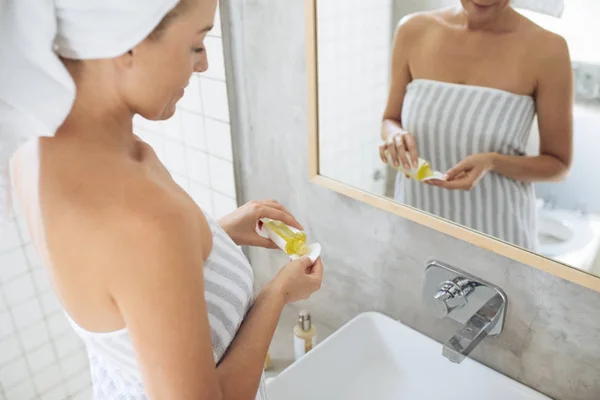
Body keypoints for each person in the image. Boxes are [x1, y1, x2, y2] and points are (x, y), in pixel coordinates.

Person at [2, 0, 323, 399]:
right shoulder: (144, 219)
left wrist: (215, 235)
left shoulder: (35, 153)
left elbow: (122, 288)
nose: (203, 65)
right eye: (196, 44)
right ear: (128, 45)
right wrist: (278, 295)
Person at [379, 0, 573, 250]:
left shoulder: (548, 49)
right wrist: (395, 135)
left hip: (500, 237)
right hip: (416, 225)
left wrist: (494, 162)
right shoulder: (413, 30)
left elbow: (558, 164)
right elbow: (390, 118)